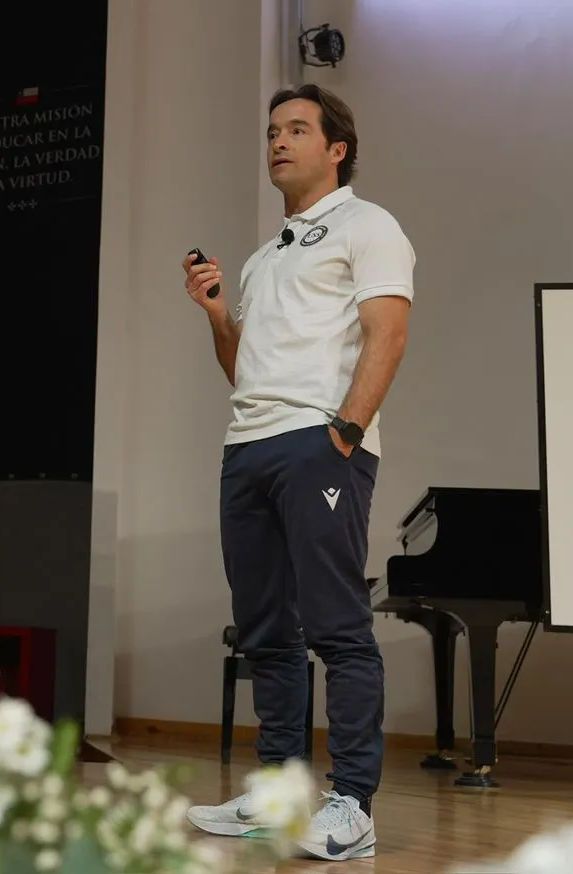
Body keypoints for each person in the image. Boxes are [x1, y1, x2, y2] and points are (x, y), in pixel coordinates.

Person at [181, 84, 414, 861]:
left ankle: (353, 806)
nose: (278, 141)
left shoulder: (368, 226)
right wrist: (219, 314)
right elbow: (242, 369)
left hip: (319, 445)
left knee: (338, 627)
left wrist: (343, 433)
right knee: (267, 632)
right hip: (247, 447)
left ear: (336, 149)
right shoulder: (262, 259)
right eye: (273, 131)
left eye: (297, 130)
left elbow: (388, 333)